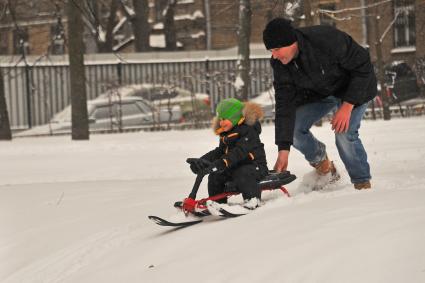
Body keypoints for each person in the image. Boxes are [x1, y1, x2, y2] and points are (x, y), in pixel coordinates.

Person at [262, 18, 377, 190]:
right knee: (294, 130)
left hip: (354, 88)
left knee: (344, 134)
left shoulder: (326, 39)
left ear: (291, 42)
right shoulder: (280, 64)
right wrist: (283, 150)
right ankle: (324, 165)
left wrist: (347, 106)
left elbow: (363, 67)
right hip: (321, 93)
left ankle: (362, 183)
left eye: (277, 49)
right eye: (271, 51)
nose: (274, 55)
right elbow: (284, 104)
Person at [188, 98, 268, 209]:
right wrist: (202, 161)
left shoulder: (249, 131)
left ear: (234, 117)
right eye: (220, 119)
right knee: (215, 175)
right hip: (233, 167)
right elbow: (220, 151)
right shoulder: (226, 133)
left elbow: (239, 152)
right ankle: (217, 204)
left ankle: (252, 201)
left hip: (255, 166)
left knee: (243, 173)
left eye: (224, 118)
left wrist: (222, 162)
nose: (221, 122)